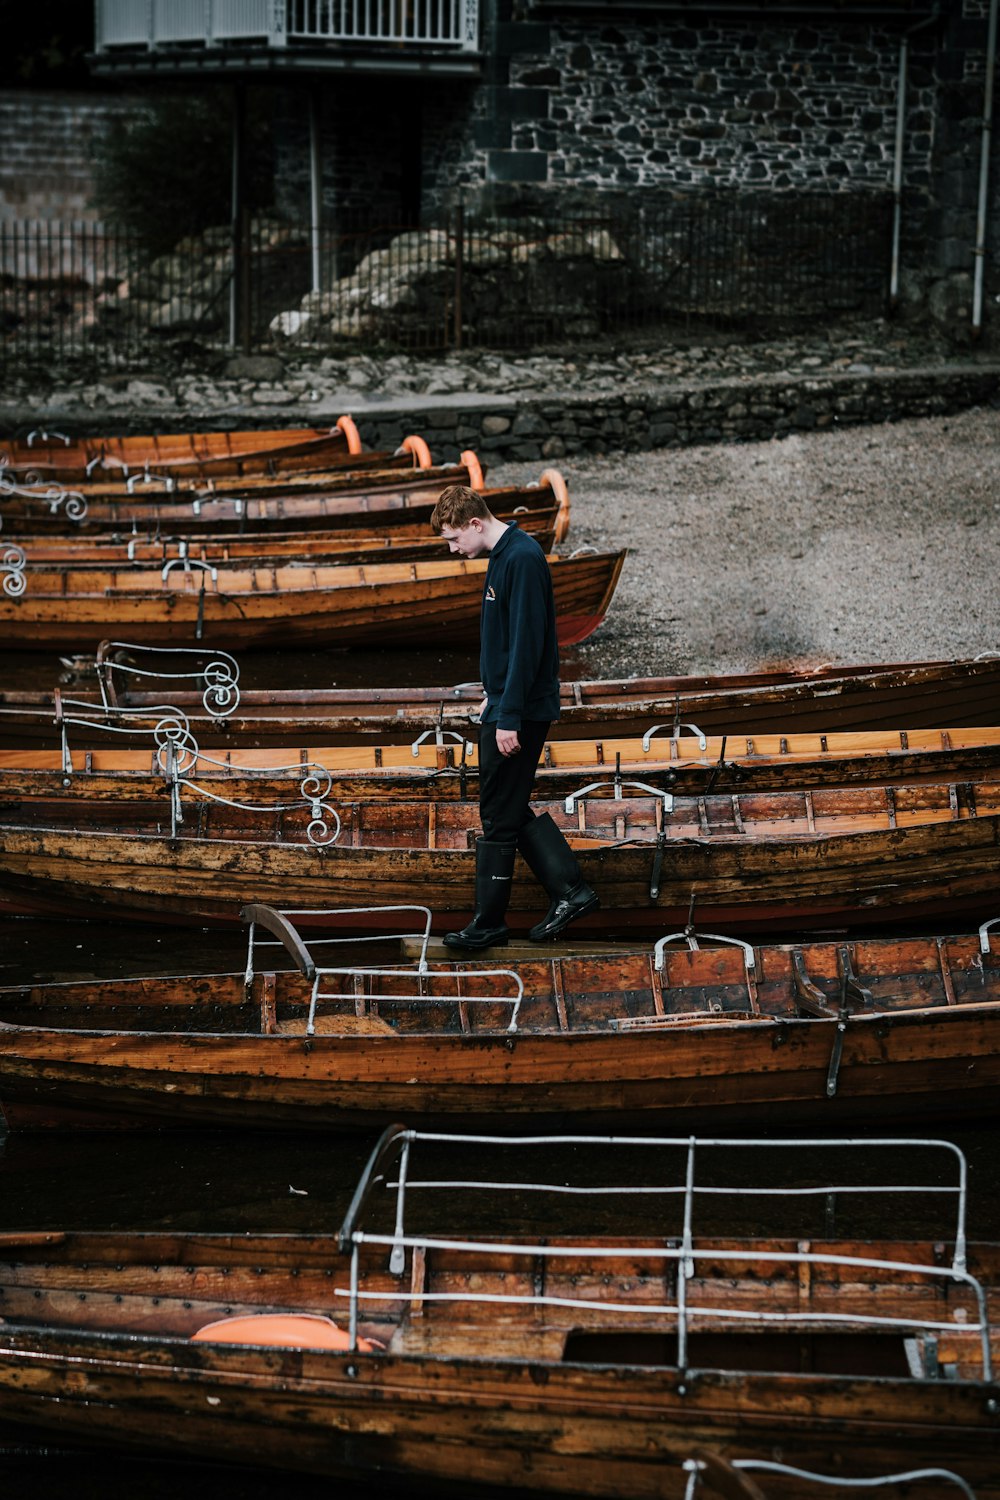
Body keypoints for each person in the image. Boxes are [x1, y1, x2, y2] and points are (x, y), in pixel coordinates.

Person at [430, 483, 599, 950]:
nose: (453, 549)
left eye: (453, 539)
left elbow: (527, 644)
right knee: (501, 806)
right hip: (507, 702)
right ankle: (569, 892)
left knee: (498, 811)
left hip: (520, 710)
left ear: (475, 524)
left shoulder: (521, 559)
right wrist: (494, 694)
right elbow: (505, 638)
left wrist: (510, 715)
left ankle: (492, 923)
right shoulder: (502, 556)